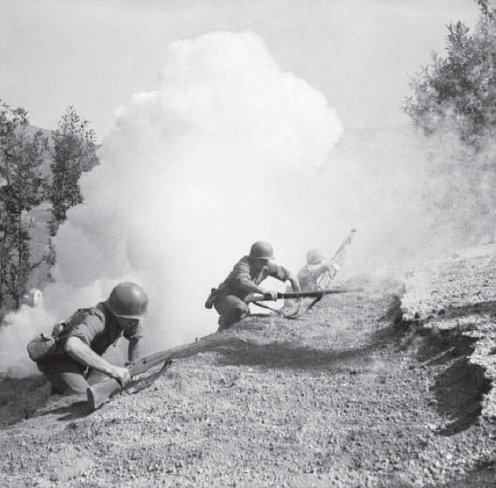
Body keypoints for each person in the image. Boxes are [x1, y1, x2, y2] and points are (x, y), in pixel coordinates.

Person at [35, 281, 149, 396]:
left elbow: (135, 339)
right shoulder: (97, 318)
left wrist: (134, 369)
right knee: (86, 397)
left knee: (103, 384)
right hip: (60, 360)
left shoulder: (127, 319)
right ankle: (54, 397)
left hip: (83, 360)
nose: (135, 324)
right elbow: (72, 345)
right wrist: (113, 370)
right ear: (118, 314)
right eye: (132, 321)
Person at [205, 241, 301, 331]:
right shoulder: (243, 264)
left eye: (266, 260)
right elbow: (244, 282)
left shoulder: (267, 266)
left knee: (242, 315)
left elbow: (291, 277)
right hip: (224, 297)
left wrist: (298, 296)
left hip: (242, 300)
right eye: (261, 260)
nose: (264, 263)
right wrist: (264, 291)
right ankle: (223, 330)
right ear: (253, 259)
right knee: (240, 308)